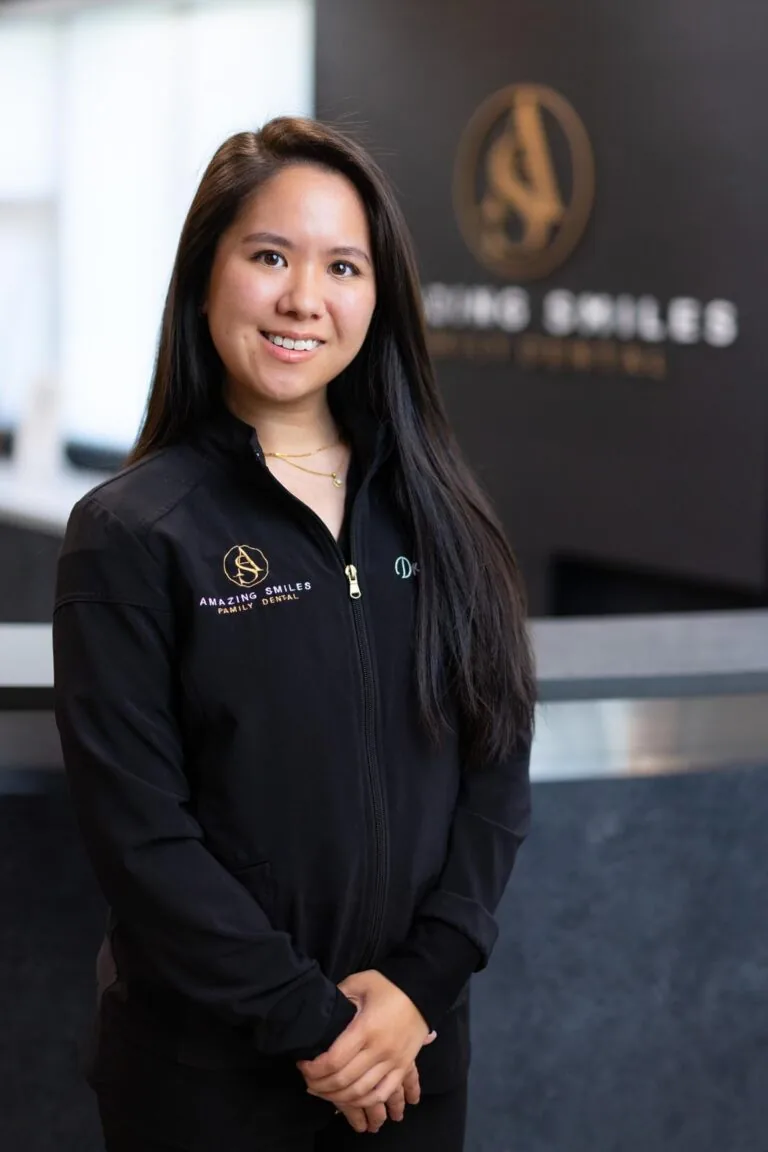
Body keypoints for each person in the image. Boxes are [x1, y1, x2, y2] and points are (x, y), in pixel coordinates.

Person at [52, 116, 535, 1151]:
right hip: (209, 1081)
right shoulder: (134, 531)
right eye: (269, 256)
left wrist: (418, 991)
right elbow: (142, 838)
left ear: (379, 297)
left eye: (343, 267)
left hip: (412, 1060)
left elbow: (495, 770)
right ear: (205, 278)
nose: (303, 298)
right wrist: (320, 1030)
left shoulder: (439, 512)